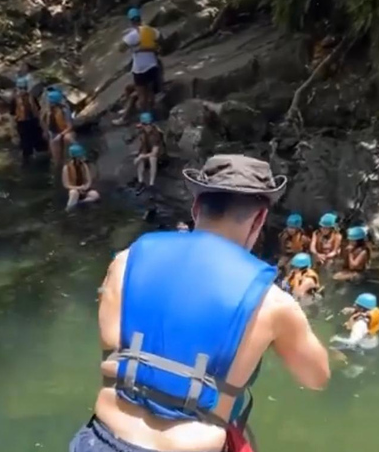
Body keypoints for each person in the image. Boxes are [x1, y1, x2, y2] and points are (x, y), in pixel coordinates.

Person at [71, 154, 329, 452]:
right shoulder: (271, 302)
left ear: (196, 208)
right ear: (259, 220)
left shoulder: (126, 261)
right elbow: (316, 377)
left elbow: (114, 348)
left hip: (101, 440)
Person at [119, 7, 161, 113]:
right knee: (151, 93)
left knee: (142, 96)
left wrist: (135, 47)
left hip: (140, 69)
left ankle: (145, 118)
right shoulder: (151, 30)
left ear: (131, 21)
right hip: (152, 66)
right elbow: (161, 40)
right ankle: (153, 114)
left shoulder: (132, 35)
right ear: (140, 18)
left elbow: (121, 49)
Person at [11, 75, 45, 162]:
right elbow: (12, 115)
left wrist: (43, 126)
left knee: (40, 145)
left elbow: (38, 111)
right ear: (17, 88)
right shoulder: (14, 100)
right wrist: (14, 132)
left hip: (34, 122)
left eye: (24, 88)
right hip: (22, 124)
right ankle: (27, 160)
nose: (22, 90)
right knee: (25, 146)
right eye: (20, 88)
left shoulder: (32, 97)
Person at [63, 143, 100, 211]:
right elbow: (66, 185)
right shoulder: (67, 167)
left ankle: (79, 204)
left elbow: (89, 180)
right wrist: (78, 188)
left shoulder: (84, 165)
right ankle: (68, 209)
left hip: (84, 188)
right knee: (74, 193)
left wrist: (85, 187)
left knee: (95, 195)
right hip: (74, 189)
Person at [134, 112, 164, 190]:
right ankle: (140, 181)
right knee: (141, 158)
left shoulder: (156, 134)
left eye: (149, 124)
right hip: (147, 151)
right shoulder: (142, 132)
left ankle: (151, 184)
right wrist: (141, 155)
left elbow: (155, 152)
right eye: (146, 124)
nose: (148, 126)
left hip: (159, 156)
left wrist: (141, 156)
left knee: (152, 158)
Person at [44, 88, 74, 165]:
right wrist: (46, 132)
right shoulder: (49, 111)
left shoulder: (64, 110)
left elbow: (70, 126)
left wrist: (60, 135)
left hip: (64, 132)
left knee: (68, 139)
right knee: (57, 160)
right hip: (54, 134)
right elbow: (47, 124)